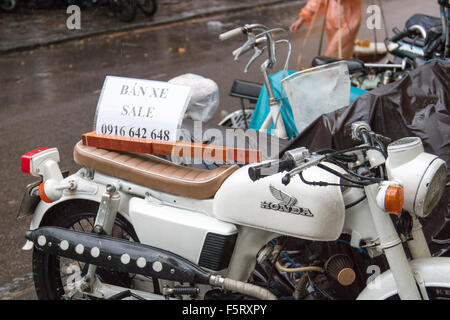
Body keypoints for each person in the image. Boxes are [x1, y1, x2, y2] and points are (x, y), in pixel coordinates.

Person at [290, 0, 363, 59]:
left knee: (334, 52)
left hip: (348, 22)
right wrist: (301, 19)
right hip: (331, 23)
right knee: (341, 53)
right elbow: (315, 2)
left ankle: (331, 70)